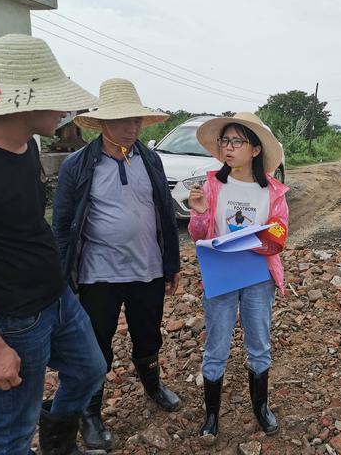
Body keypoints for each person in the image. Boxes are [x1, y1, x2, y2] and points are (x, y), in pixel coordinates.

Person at [0, 33, 107, 455]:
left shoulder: (27, 145)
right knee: (13, 429)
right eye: (56, 98)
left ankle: (58, 442)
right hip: (15, 318)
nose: (66, 110)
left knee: (90, 370)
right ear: (23, 102)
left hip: (57, 298)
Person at [52, 78, 181, 451]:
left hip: (148, 269)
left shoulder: (150, 158)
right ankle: (91, 413)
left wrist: (171, 263)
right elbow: (62, 225)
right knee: (96, 346)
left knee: (148, 334)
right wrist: (66, 279)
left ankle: (153, 386)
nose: (133, 126)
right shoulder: (78, 165)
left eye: (137, 119)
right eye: (124, 120)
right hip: (98, 274)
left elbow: (165, 215)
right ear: (103, 123)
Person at [187, 112, 289, 444]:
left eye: (236, 141)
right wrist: (200, 212)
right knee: (216, 346)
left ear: (255, 150)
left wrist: (259, 239)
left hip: (258, 277)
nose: (228, 148)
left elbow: (279, 236)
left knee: (259, 344)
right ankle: (211, 415)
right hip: (221, 275)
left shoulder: (272, 190)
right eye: (225, 141)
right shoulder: (213, 185)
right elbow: (198, 234)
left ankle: (261, 407)